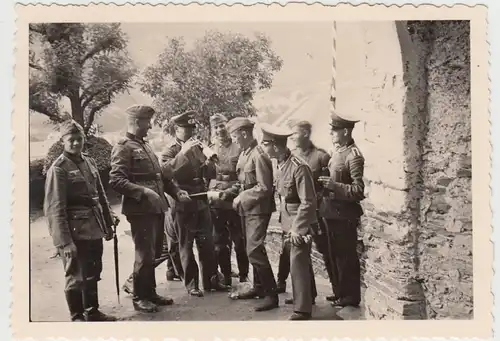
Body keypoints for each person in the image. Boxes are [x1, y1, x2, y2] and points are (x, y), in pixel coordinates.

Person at [109, 105, 191, 313]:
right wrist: (143, 192)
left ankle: (150, 292)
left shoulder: (144, 146)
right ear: (137, 122)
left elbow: (160, 177)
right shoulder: (123, 147)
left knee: (153, 253)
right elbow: (116, 180)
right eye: (147, 122)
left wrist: (176, 192)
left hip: (155, 208)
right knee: (144, 254)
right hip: (140, 210)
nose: (150, 126)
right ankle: (139, 296)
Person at [44, 120, 117, 322]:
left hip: (94, 226)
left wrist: (109, 221)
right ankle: (76, 316)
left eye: (79, 139)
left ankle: (92, 311)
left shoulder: (89, 162)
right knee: (76, 274)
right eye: (71, 140)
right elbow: (54, 208)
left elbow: (100, 194)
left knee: (94, 270)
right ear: (63, 142)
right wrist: (65, 242)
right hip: (74, 231)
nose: (76, 143)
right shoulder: (58, 169)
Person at [160, 110, 226, 297]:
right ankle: (191, 284)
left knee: (207, 242)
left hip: (201, 200)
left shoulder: (199, 146)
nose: (189, 132)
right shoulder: (170, 150)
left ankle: (211, 280)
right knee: (185, 246)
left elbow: (210, 173)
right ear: (176, 130)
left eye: (191, 128)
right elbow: (165, 173)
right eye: (185, 129)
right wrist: (183, 153)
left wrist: (210, 162)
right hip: (182, 202)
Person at [259, 122, 318, 320]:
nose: (263, 146)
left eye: (265, 143)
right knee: (300, 261)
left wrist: (298, 229)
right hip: (288, 220)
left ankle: (302, 309)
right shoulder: (281, 164)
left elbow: (308, 202)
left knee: (297, 263)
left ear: (275, 145)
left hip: (299, 222)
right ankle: (309, 297)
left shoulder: (299, 167)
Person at [220, 117, 279, 312]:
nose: (234, 140)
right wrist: (229, 193)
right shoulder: (246, 154)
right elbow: (243, 182)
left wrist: (242, 196)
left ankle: (271, 295)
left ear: (244, 134)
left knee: (254, 250)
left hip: (259, 210)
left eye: (235, 136)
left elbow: (265, 187)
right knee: (250, 248)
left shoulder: (259, 155)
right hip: (247, 210)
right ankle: (258, 287)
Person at [276, 119, 337, 302]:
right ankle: (284, 283)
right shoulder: (291, 157)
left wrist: (314, 205)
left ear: (304, 134)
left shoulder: (321, 157)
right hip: (297, 212)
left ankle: (336, 289)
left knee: (324, 251)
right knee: (289, 250)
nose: (292, 137)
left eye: (294, 133)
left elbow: (327, 186)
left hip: (315, 212)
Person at [318, 111, 365, 308]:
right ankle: (339, 291)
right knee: (332, 255)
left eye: (334, 131)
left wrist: (334, 186)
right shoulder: (337, 152)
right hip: (330, 212)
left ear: (345, 131)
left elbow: (358, 190)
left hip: (344, 215)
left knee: (346, 258)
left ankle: (349, 297)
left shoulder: (353, 156)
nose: (331, 133)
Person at [206, 113, 250, 286]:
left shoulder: (238, 148)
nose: (219, 130)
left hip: (234, 198)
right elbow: (206, 176)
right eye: (216, 127)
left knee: (239, 240)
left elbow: (243, 178)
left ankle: (245, 275)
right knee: (219, 240)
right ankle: (226, 275)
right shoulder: (210, 149)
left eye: (222, 126)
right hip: (216, 199)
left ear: (228, 127)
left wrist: (233, 191)